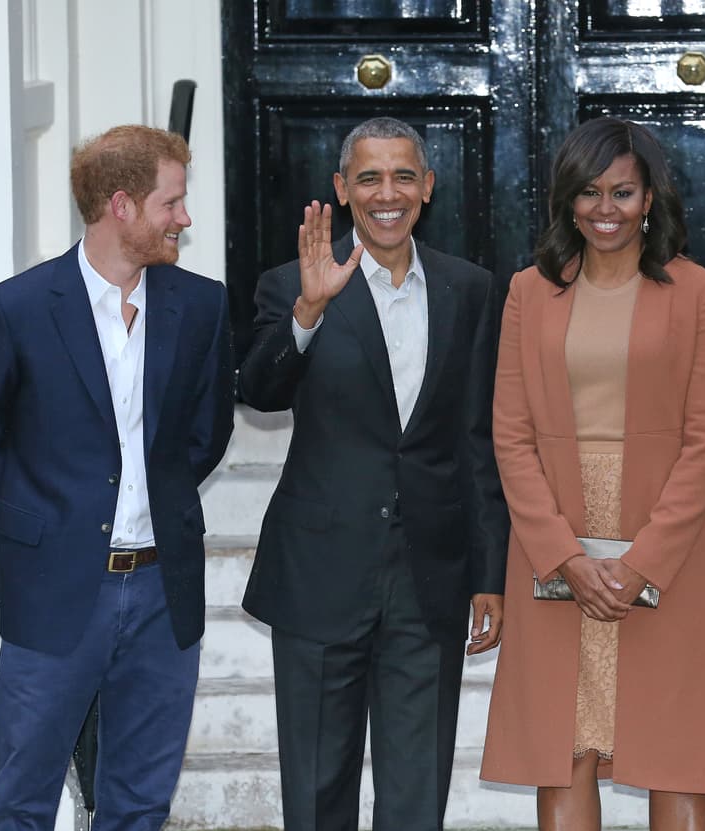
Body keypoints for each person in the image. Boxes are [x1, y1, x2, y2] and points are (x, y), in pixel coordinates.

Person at [0, 124, 235, 830]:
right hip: (54, 588)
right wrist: (46, 513)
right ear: (122, 205)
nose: (185, 218)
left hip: (164, 592)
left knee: (138, 804)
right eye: (172, 203)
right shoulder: (13, 309)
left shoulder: (200, 306)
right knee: (20, 803)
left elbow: (206, 433)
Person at [238, 116, 508, 831]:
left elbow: (475, 439)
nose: (386, 193)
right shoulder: (290, 282)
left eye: (402, 176)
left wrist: (490, 571)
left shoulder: (470, 288)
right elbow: (259, 388)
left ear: (427, 187)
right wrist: (309, 309)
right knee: (318, 789)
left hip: (430, 577)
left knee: (416, 792)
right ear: (341, 188)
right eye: (368, 177)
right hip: (321, 572)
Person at [480, 116, 705, 829]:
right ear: (568, 200)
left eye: (622, 192)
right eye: (589, 192)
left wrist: (643, 560)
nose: (605, 209)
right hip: (555, 529)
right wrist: (563, 553)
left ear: (649, 197)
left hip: (666, 544)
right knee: (565, 747)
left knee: (674, 749)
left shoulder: (699, 292)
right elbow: (511, 435)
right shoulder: (529, 292)